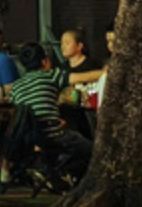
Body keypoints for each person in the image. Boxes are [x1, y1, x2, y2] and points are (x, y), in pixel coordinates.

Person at [7, 42, 91, 178]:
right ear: (44, 61)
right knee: (92, 149)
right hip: (52, 136)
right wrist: (106, 72)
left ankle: (52, 172)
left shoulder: (16, 87)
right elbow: (82, 78)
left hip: (28, 139)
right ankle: (64, 175)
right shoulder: (52, 76)